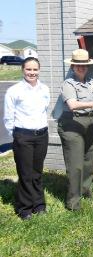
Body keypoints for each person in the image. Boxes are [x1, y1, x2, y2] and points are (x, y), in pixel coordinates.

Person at [3, 57, 50, 220]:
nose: (32, 72)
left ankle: (39, 205)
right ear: (23, 70)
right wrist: (17, 136)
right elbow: (8, 118)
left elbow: (44, 110)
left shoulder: (44, 89)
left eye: (35, 69)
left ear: (39, 70)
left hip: (42, 136)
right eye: (28, 69)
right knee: (25, 174)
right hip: (23, 136)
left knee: (37, 173)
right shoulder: (14, 91)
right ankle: (24, 208)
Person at [57, 49, 93, 211]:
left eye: (84, 65)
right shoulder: (68, 84)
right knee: (75, 165)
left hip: (90, 122)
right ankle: (73, 203)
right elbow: (72, 105)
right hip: (72, 124)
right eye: (77, 65)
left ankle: (85, 190)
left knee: (89, 160)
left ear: (88, 66)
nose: (81, 67)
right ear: (72, 66)